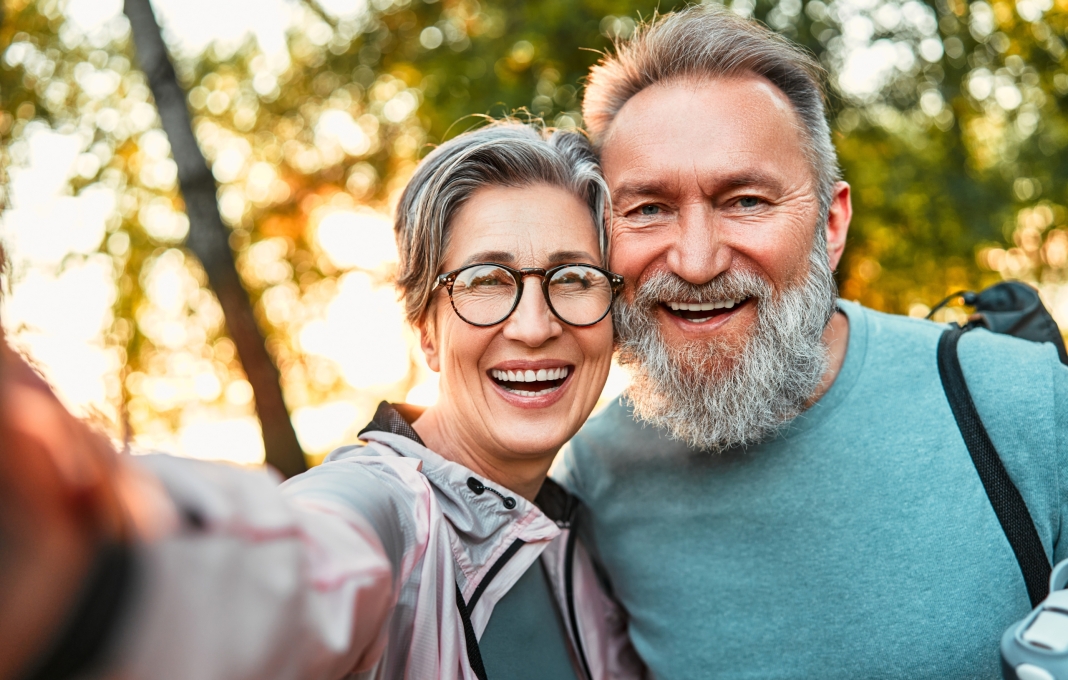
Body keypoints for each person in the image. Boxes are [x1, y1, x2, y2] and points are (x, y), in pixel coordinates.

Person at [0, 122, 645, 680]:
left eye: (575, 278)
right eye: (484, 281)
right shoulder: (386, 511)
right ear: (427, 329)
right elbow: (299, 567)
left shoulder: (583, 541)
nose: (534, 327)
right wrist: (99, 556)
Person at [554, 5, 1068, 679]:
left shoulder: (1026, 403)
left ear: (830, 222)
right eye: (648, 208)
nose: (697, 261)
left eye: (745, 201)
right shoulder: (594, 476)